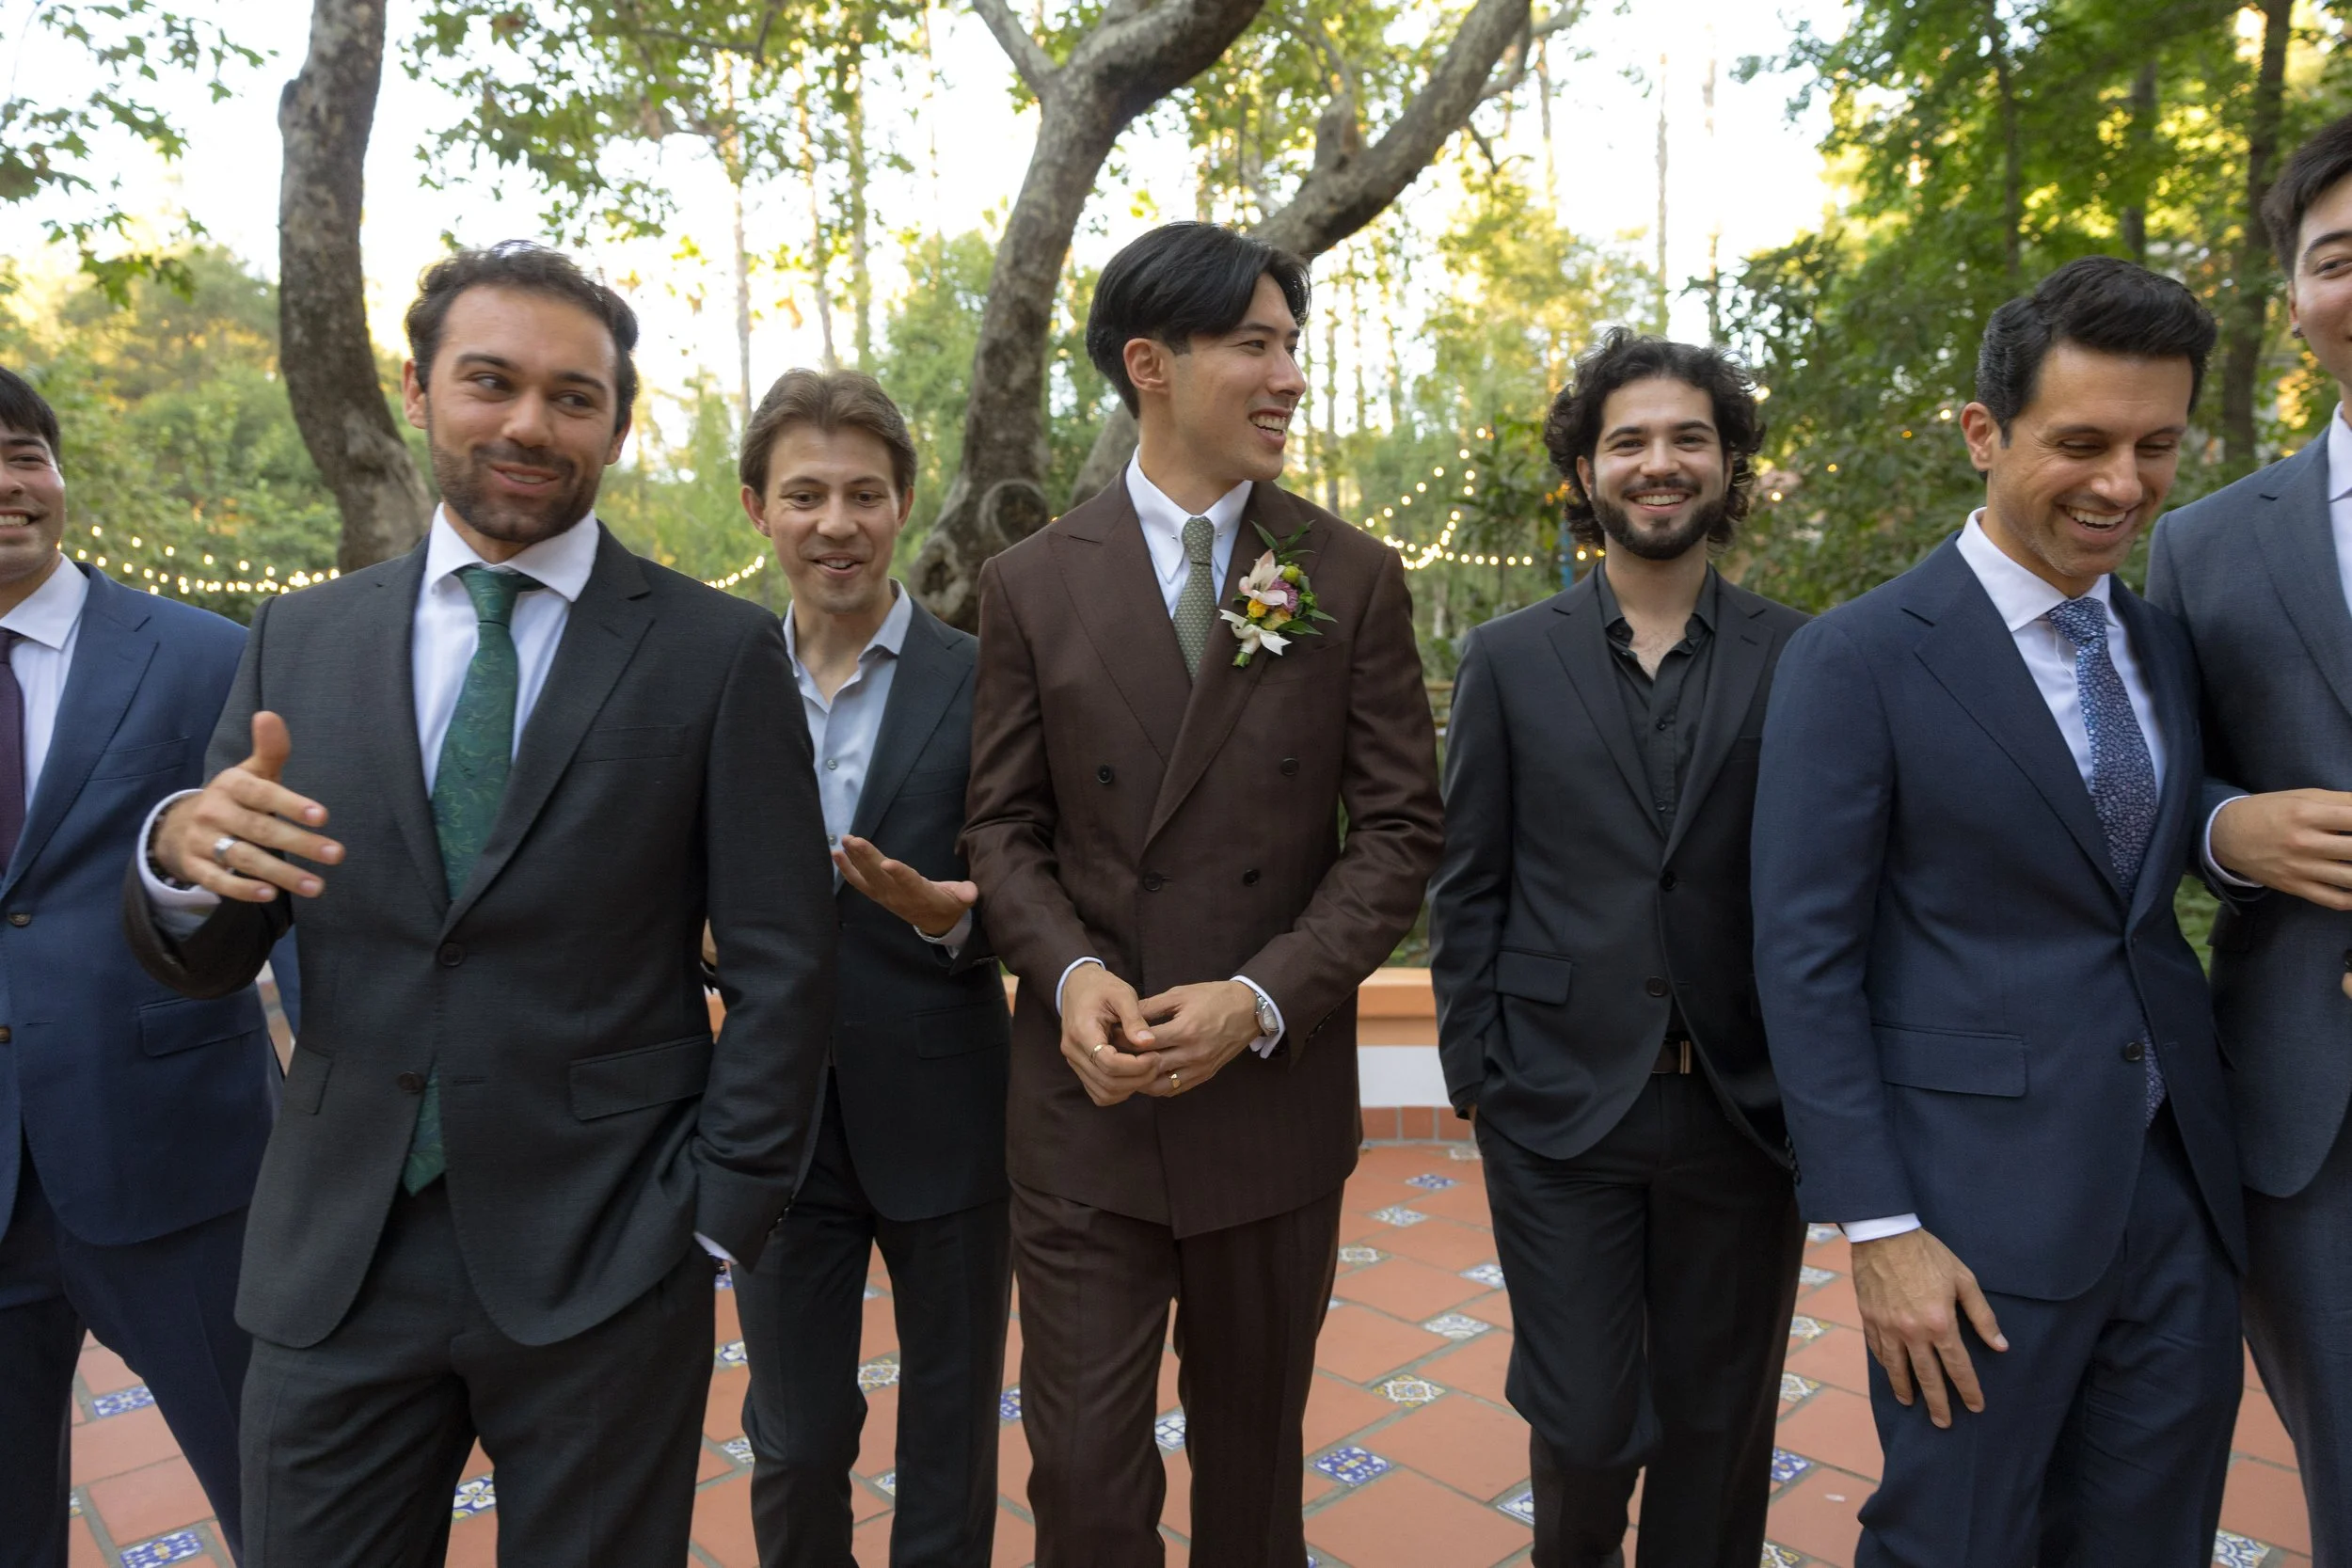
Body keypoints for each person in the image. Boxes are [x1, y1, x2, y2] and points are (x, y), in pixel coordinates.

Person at [121, 242, 837, 1566]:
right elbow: (221, 945)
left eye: (574, 396)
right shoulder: (302, 639)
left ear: (618, 422)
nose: (528, 422)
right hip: (337, 1250)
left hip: (611, 1249)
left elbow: (787, 965)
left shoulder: (715, 653)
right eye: (490, 381)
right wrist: (177, 850)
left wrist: (717, 1219)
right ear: (420, 387)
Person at [961, 220, 1443, 1567]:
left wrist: (1259, 994)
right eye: (1256, 343)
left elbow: (1400, 834)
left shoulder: (1349, 575)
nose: (1291, 374)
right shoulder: (1032, 583)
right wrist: (1067, 974)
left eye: (1293, 343)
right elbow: (1001, 829)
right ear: (1150, 364)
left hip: (1269, 1110)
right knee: (1088, 1488)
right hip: (1085, 1111)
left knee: (1253, 1483)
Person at [1752, 257, 2247, 1564]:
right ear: (1984, 433)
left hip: (2181, 1193)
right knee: (1955, 1541)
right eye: (2080, 442)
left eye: (2156, 445)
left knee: (2152, 1539)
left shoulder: (2159, 640)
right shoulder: (1856, 655)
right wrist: (1880, 1229)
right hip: (1970, 1220)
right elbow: (1804, 962)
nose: (2123, 484)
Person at [1429, 331, 1807, 1568]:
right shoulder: (1508, 656)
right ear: (1585, 470)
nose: (1659, 462)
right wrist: (1480, 1071)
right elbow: (1468, 877)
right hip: (1557, 1105)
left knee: (1718, 1428)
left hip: (1743, 1114)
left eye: (1688, 436)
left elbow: (1822, 887)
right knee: (1587, 1419)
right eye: (1629, 440)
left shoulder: (1805, 656)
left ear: (1728, 461)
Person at [721, 367, 1011, 1568]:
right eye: (804, 495)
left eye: (861, 494)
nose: (833, 523)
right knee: (792, 1436)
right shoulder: (713, 674)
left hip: (948, 1108)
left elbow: (1039, 882)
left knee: (949, 1428)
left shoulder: (990, 675)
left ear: (903, 504)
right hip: (773, 1121)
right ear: (757, 509)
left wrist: (953, 920)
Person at [0, 368, 267, 1567]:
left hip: (177, 1157)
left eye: (23, 455)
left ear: (58, 475)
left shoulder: (205, 654)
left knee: (282, 1491)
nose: (8, 487)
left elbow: (292, 892)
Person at [2147, 109, 2352, 1567]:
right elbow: (2150, 786)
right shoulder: (2209, 539)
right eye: (2339, 258)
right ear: (2295, 301)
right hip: (2308, 1102)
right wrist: (2229, 826)